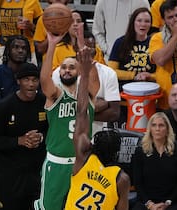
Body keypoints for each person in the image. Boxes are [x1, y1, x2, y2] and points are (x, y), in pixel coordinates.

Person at [34, 30, 98, 209]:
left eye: (72, 67)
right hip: (57, 163)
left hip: (83, 164)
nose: (67, 70)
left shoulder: (88, 95)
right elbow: (44, 79)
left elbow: (92, 77)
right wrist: (52, 45)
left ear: (79, 71)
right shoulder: (55, 95)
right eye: (64, 67)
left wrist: (82, 48)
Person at [64, 44, 130, 210]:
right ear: (117, 152)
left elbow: (81, 112)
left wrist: (84, 75)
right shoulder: (121, 178)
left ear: (92, 146)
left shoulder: (82, 160)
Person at [0, 63, 48, 210]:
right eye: (26, 80)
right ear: (18, 81)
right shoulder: (4, 106)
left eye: (35, 80)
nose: (31, 84)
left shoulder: (44, 102)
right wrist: (18, 141)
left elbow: (53, 130)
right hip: (11, 173)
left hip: (37, 171)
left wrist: (41, 137)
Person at [52, 31, 120, 134]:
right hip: (64, 134)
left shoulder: (109, 73)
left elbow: (114, 113)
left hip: (97, 135)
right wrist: (98, 105)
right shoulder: (59, 73)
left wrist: (79, 115)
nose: (88, 52)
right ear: (75, 48)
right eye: (84, 48)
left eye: (91, 48)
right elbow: (57, 109)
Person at [108, 7, 156, 127]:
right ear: (133, 22)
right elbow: (111, 71)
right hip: (123, 102)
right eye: (139, 20)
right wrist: (134, 75)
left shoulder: (155, 43)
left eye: (147, 21)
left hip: (148, 102)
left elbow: (162, 73)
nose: (143, 24)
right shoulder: (120, 42)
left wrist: (150, 76)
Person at [132, 112, 177, 210]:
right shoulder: (140, 151)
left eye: (161, 125)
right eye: (154, 125)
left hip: (171, 202)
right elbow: (138, 183)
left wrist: (168, 202)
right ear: (150, 129)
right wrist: (149, 204)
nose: (157, 129)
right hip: (146, 202)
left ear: (167, 129)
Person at [0, 35, 31, 115]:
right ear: (8, 51)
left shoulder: (33, 75)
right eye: (16, 47)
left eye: (24, 48)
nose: (20, 51)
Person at [0, 0, 43, 68]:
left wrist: (30, 26)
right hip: (0, 49)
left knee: (27, 77)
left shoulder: (32, 1)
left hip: (25, 50)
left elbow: (41, 28)